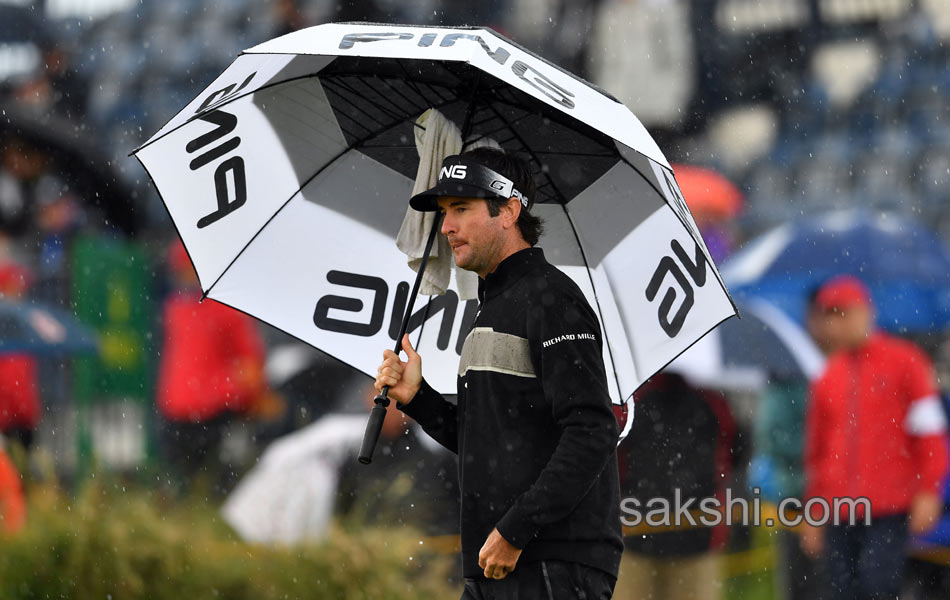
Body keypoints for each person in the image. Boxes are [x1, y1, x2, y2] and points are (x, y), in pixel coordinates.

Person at [374, 148, 623, 599]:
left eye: (461, 209)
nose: (446, 226)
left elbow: (592, 431)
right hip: (499, 562)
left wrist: (516, 529)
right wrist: (419, 398)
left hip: (549, 562)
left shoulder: (553, 297)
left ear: (509, 211)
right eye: (446, 213)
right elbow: (483, 442)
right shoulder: (493, 305)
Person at [801, 275, 949, 600]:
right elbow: (818, 453)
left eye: (844, 313)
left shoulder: (906, 362)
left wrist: (929, 490)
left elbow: (930, 435)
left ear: (866, 312)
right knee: (842, 590)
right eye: (831, 315)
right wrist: (813, 511)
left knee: (878, 588)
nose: (836, 324)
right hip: (839, 508)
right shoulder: (828, 376)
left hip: (888, 506)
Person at [156, 241, 275, 495]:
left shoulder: (182, 309)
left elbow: (251, 363)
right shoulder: (182, 308)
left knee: (199, 484)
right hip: (197, 408)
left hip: (206, 409)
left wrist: (247, 395)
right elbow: (252, 362)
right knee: (204, 484)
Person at [614, 372, 736, 600]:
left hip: (676, 536)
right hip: (652, 535)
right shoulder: (713, 402)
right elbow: (732, 456)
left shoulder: (633, 400)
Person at [751, 287, 835, 600]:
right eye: (826, 314)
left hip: (844, 496)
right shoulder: (789, 368)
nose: (832, 324)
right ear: (811, 317)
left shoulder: (850, 365)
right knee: (804, 585)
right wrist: (826, 451)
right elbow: (772, 435)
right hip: (798, 496)